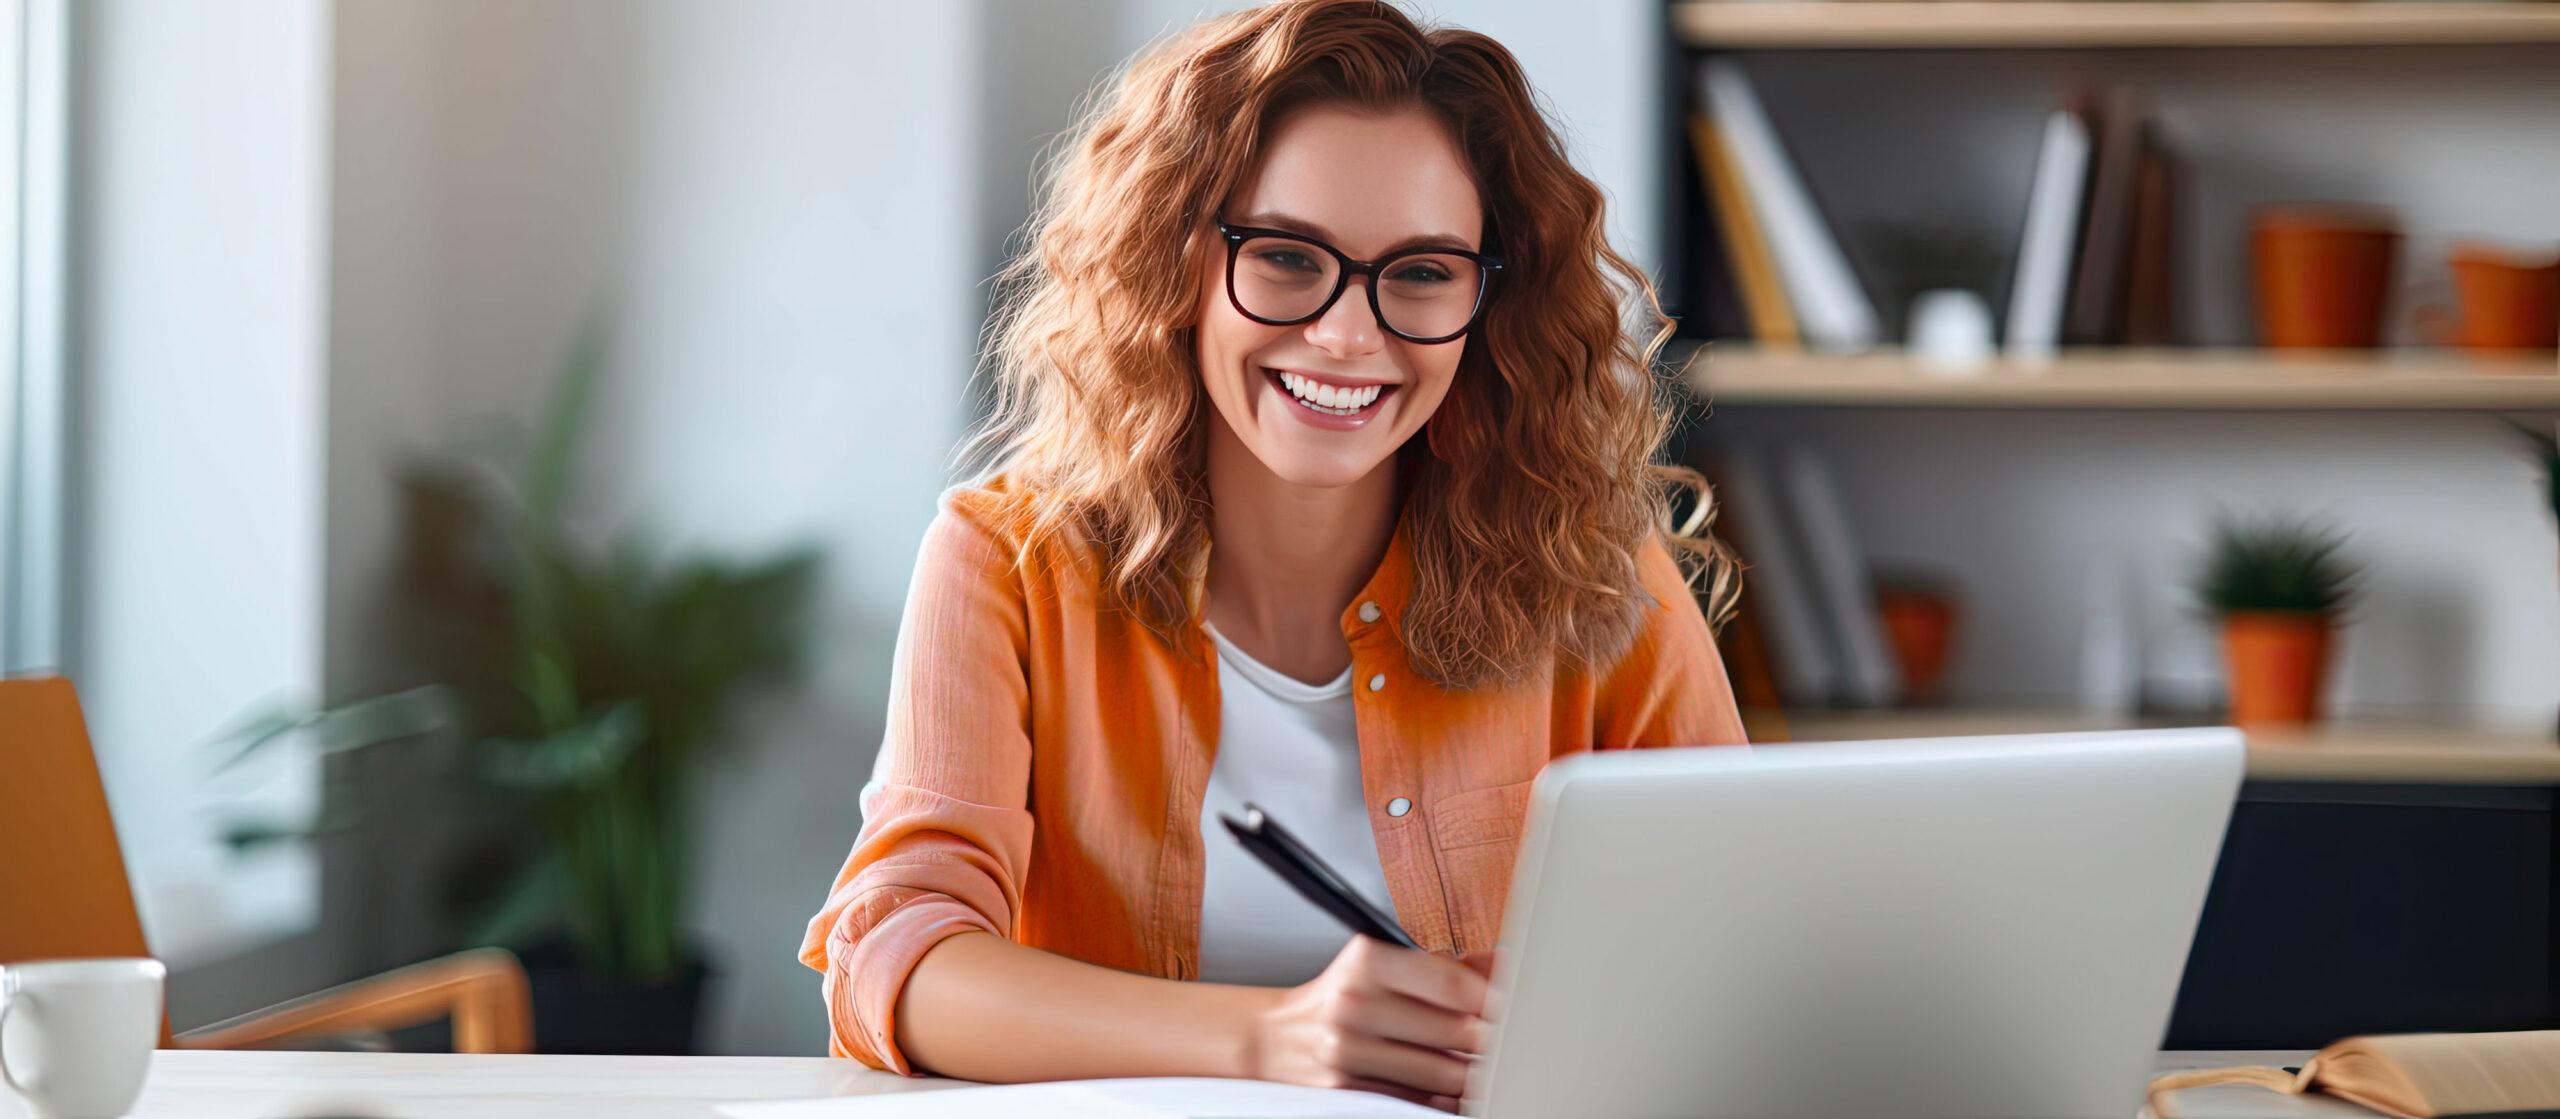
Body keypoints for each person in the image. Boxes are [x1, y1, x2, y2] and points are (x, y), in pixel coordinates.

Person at [800, 0, 1747, 1109]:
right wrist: (1268, 1040)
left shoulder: (1594, 568)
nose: (1350, 335)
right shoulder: (1005, 562)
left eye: (1424, 273)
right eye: (1289, 257)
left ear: (1489, 303)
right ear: (1174, 263)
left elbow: (1731, 947)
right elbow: (896, 959)